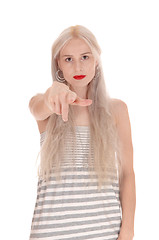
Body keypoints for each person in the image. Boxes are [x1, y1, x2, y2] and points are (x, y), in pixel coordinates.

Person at [29, 25, 136, 240]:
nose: (78, 66)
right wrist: (52, 94)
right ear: (58, 63)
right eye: (68, 59)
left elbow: (127, 173)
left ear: (96, 60)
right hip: (50, 234)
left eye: (85, 57)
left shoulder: (116, 110)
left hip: (104, 232)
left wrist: (127, 231)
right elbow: (36, 107)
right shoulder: (48, 107)